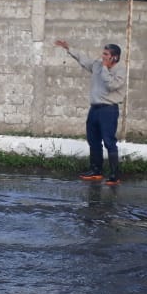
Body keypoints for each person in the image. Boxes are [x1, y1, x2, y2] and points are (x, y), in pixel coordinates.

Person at [54, 39, 127, 185]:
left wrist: (106, 68)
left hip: (108, 110)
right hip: (95, 109)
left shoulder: (120, 70)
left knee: (109, 141)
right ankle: (96, 170)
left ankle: (114, 175)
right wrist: (69, 49)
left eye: (106, 54)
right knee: (93, 140)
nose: (103, 56)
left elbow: (111, 85)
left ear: (115, 57)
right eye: (103, 53)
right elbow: (83, 59)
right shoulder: (97, 65)